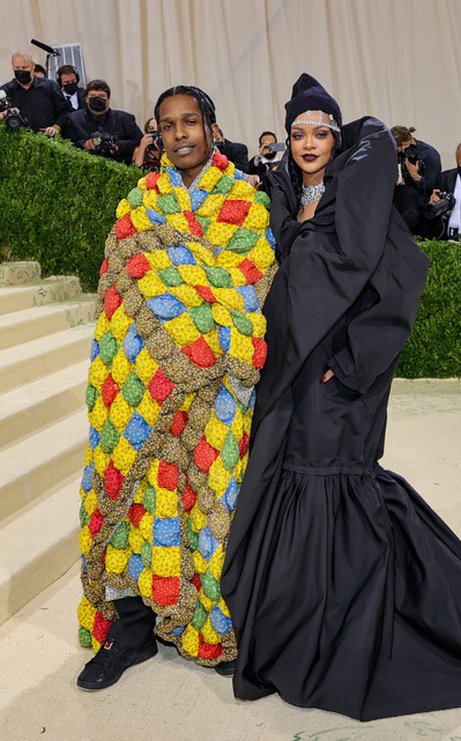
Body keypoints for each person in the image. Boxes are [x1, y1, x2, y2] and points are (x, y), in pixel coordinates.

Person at [221, 73, 461, 721]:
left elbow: (399, 284)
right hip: (284, 377)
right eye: (296, 133)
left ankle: (350, 628)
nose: (306, 143)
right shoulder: (278, 201)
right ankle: (298, 619)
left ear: (336, 135)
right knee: (294, 485)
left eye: (319, 131)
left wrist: (349, 370)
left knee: (335, 488)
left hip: (337, 382)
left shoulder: (358, 201)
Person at [76, 84, 276, 690]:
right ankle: (131, 631)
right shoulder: (139, 202)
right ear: (157, 135)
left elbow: (246, 288)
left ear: (212, 127)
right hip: (138, 386)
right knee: (135, 501)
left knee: (211, 504)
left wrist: (192, 337)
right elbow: (119, 288)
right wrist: (143, 369)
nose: (180, 134)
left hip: (212, 390)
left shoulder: (244, 201)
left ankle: (211, 626)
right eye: (168, 125)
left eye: (191, 122)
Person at [63, 79, 143, 163]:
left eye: (101, 96)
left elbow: (140, 142)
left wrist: (117, 145)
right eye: (93, 96)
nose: (97, 99)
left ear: (108, 99)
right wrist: (85, 144)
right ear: (86, 99)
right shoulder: (73, 119)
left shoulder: (125, 119)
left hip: (121, 166)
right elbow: (66, 144)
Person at [0, 51, 68, 135]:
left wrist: (56, 127)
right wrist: (4, 113)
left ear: (33, 66)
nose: (21, 71)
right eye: (17, 68)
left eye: (24, 67)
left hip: (49, 140)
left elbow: (64, 112)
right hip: (18, 143)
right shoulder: (4, 91)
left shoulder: (50, 86)